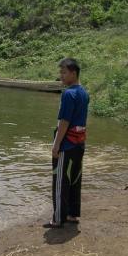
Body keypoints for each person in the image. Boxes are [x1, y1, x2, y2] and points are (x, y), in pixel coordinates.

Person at [46, 58, 89, 229]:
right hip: (79, 143)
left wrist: (56, 145)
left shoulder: (68, 94)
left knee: (60, 181)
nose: (61, 76)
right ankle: (72, 214)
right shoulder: (84, 93)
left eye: (64, 72)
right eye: (61, 72)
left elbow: (64, 121)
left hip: (67, 144)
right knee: (74, 178)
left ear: (73, 73)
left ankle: (58, 218)